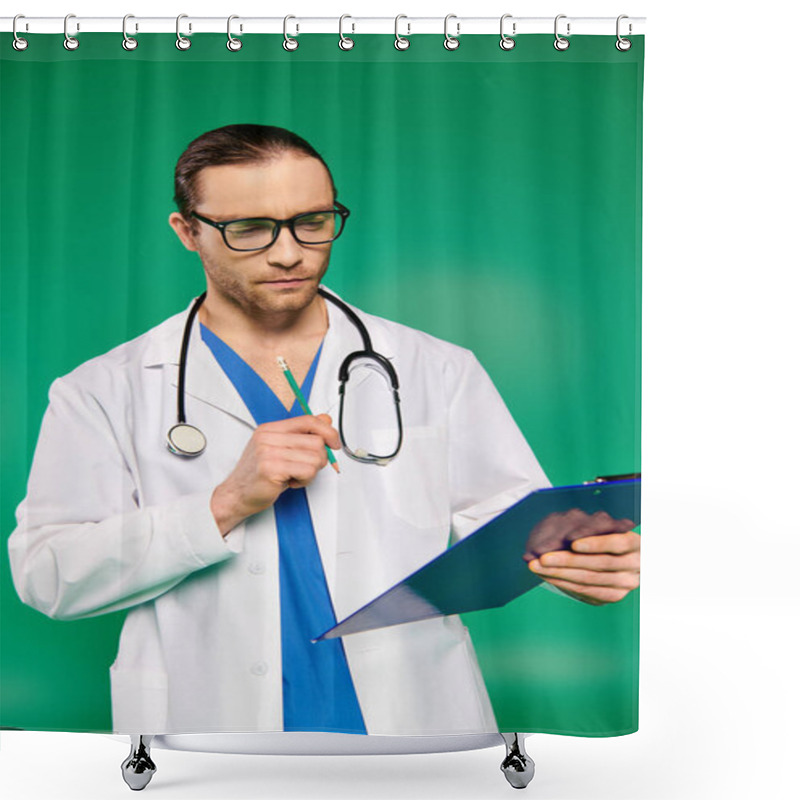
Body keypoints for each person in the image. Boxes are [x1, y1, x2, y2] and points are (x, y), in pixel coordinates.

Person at [8, 124, 640, 736]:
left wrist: (577, 564)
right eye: (249, 228)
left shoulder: (435, 368)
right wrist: (224, 504)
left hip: (410, 714)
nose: (289, 252)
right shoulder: (102, 389)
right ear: (188, 232)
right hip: (206, 726)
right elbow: (46, 575)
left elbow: (513, 529)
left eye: (312, 222)